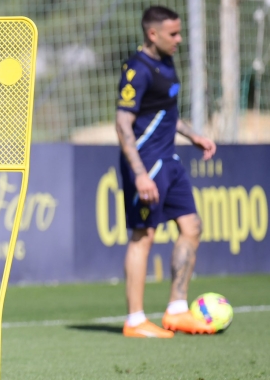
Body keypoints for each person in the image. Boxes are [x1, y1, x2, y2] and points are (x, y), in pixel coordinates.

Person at [115, 6, 217, 338]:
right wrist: (140, 174)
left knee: (192, 226)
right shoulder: (138, 69)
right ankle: (135, 320)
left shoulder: (167, 63)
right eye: (173, 34)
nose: (179, 39)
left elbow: (167, 113)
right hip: (147, 164)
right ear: (152, 34)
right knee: (144, 236)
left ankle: (176, 310)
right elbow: (123, 122)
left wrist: (194, 136)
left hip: (170, 160)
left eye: (180, 32)